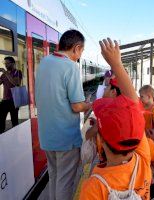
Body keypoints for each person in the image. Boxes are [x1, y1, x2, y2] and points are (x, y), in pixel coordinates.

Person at [80, 38, 152, 200]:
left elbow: (133, 104)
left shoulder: (93, 187)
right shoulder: (142, 161)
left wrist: (116, 64)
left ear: (101, 140)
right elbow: (134, 105)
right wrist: (117, 64)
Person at [35, 30, 91, 200]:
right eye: (81, 51)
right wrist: (92, 104)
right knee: (65, 182)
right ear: (76, 48)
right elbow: (77, 106)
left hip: (46, 137)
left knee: (54, 177)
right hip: (65, 138)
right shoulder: (70, 67)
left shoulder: (44, 62)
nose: (80, 56)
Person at [0, 56, 22, 133]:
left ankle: (15, 138)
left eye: (7, 63)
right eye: (4, 63)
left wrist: (5, 73)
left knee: (14, 121)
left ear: (12, 63)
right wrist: (4, 74)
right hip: (4, 100)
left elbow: (16, 83)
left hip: (14, 101)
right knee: (1, 120)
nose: (5, 65)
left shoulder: (17, 72)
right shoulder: (3, 75)